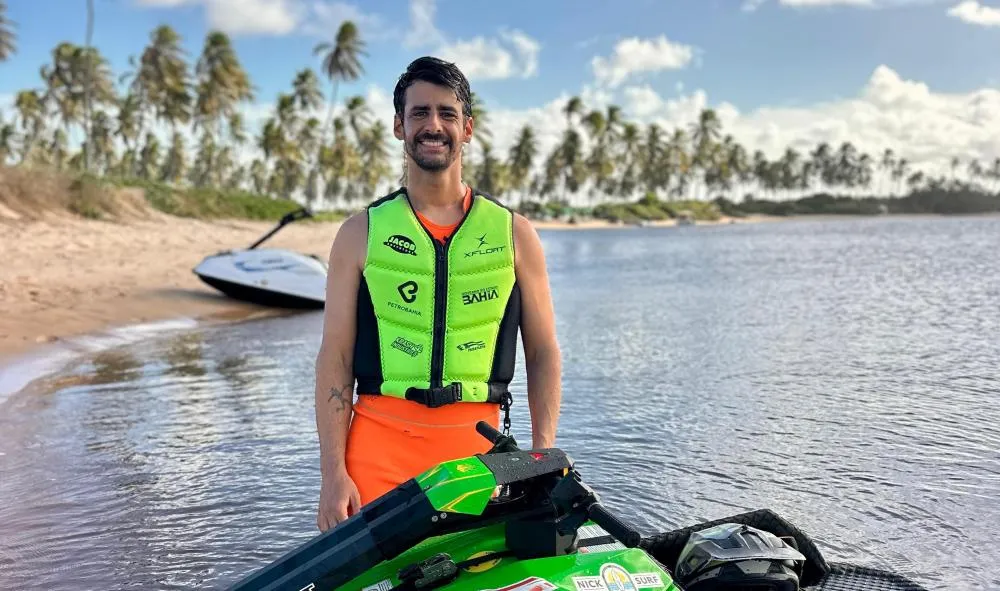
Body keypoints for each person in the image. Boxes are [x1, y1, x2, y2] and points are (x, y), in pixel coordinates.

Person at [313, 56, 563, 531]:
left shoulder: (515, 234)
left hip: (478, 454)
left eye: (447, 114)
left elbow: (544, 350)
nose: (433, 125)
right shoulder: (359, 233)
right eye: (420, 113)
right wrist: (332, 473)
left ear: (467, 128)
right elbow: (335, 357)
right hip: (376, 453)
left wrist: (542, 452)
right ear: (398, 126)